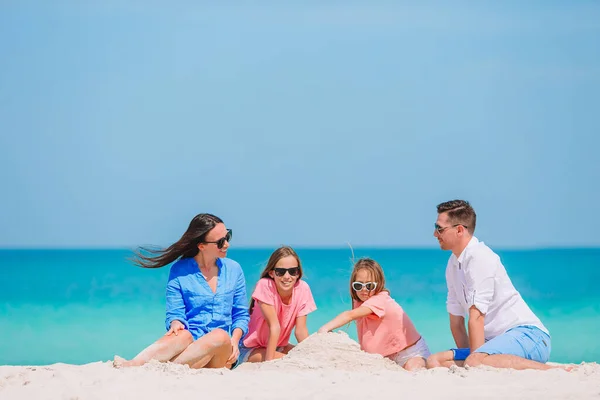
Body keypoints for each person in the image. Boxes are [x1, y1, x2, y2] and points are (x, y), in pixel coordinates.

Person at [426, 200, 554, 370]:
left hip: (529, 336)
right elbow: (456, 323)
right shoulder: (453, 264)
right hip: (494, 344)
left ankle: (555, 371)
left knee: (474, 361)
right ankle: (480, 361)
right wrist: (471, 358)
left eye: (439, 228)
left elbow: (477, 317)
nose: (435, 234)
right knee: (434, 361)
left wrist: (474, 362)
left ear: (459, 230)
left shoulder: (480, 257)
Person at [113, 213, 250, 369]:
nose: (227, 244)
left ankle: (155, 368)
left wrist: (235, 341)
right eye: (220, 242)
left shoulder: (234, 269)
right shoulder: (179, 270)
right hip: (191, 349)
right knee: (182, 334)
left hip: (222, 354)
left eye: (228, 237)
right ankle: (135, 364)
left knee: (220, 335)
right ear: (201, 246)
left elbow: (240, 314)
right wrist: (176, 323)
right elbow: (175, 313)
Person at [318, 258, 430, 371]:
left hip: (411, 352)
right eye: (358, 285)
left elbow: (349, 315)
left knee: (412, 368)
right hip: (389, 357)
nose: (364, 290)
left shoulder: (380, 300)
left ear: (379, 284)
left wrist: (325, 328)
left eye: (369, 286)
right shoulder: (359, 302)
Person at [236, 246, 316, 365]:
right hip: (249, 349)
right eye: (281, 272)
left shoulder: (303, 288)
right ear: (272, 273)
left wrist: (310, 354)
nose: (287, 276)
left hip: (279, 346)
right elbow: (274, 326)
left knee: (310, 358)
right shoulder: (265, 285)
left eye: (292, 271)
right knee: (293, 362)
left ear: (298, 273)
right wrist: (269, 363)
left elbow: (300, 331)